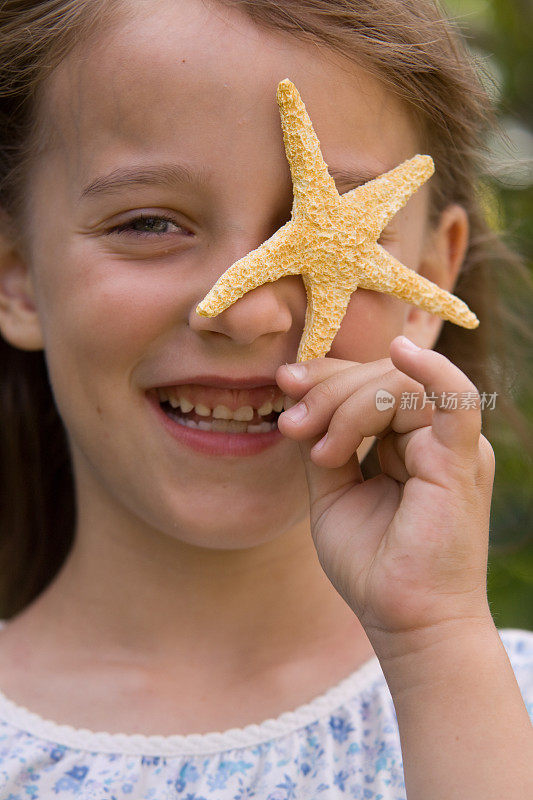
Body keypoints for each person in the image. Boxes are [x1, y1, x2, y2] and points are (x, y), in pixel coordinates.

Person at [0, 0, 531, 797]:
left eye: (341, 236)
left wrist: (433, 644)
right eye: (149, 223)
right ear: (16, 274)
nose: (248, 310)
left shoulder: (505, 704)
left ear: (429, 281)